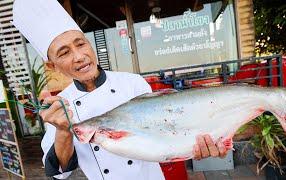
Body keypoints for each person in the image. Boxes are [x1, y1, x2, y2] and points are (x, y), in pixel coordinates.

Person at [12, 0, 229, 179]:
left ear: (89, 43)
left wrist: (200, 143)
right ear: (52, 66)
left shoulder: (132, 83)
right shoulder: (61, 106)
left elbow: (168, 129)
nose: (79, 56)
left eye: (80, 44)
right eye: (64, 53)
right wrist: (62, 131)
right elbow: (58, 172)